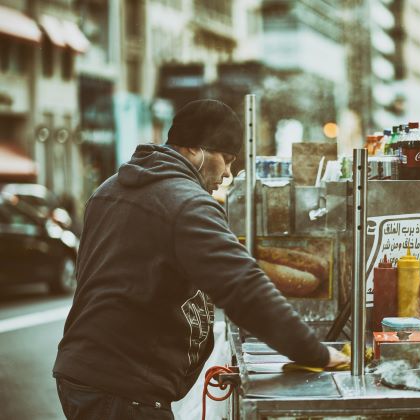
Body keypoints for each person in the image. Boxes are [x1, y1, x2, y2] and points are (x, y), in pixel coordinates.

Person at [53, 99, 349, 419]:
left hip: (86, 375)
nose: (227, 174)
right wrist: (316, 353)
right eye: (226, 159)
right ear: (196, 149)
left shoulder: (108, 190)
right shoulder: (185, 202)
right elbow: (244, 288)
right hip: (123, 389)